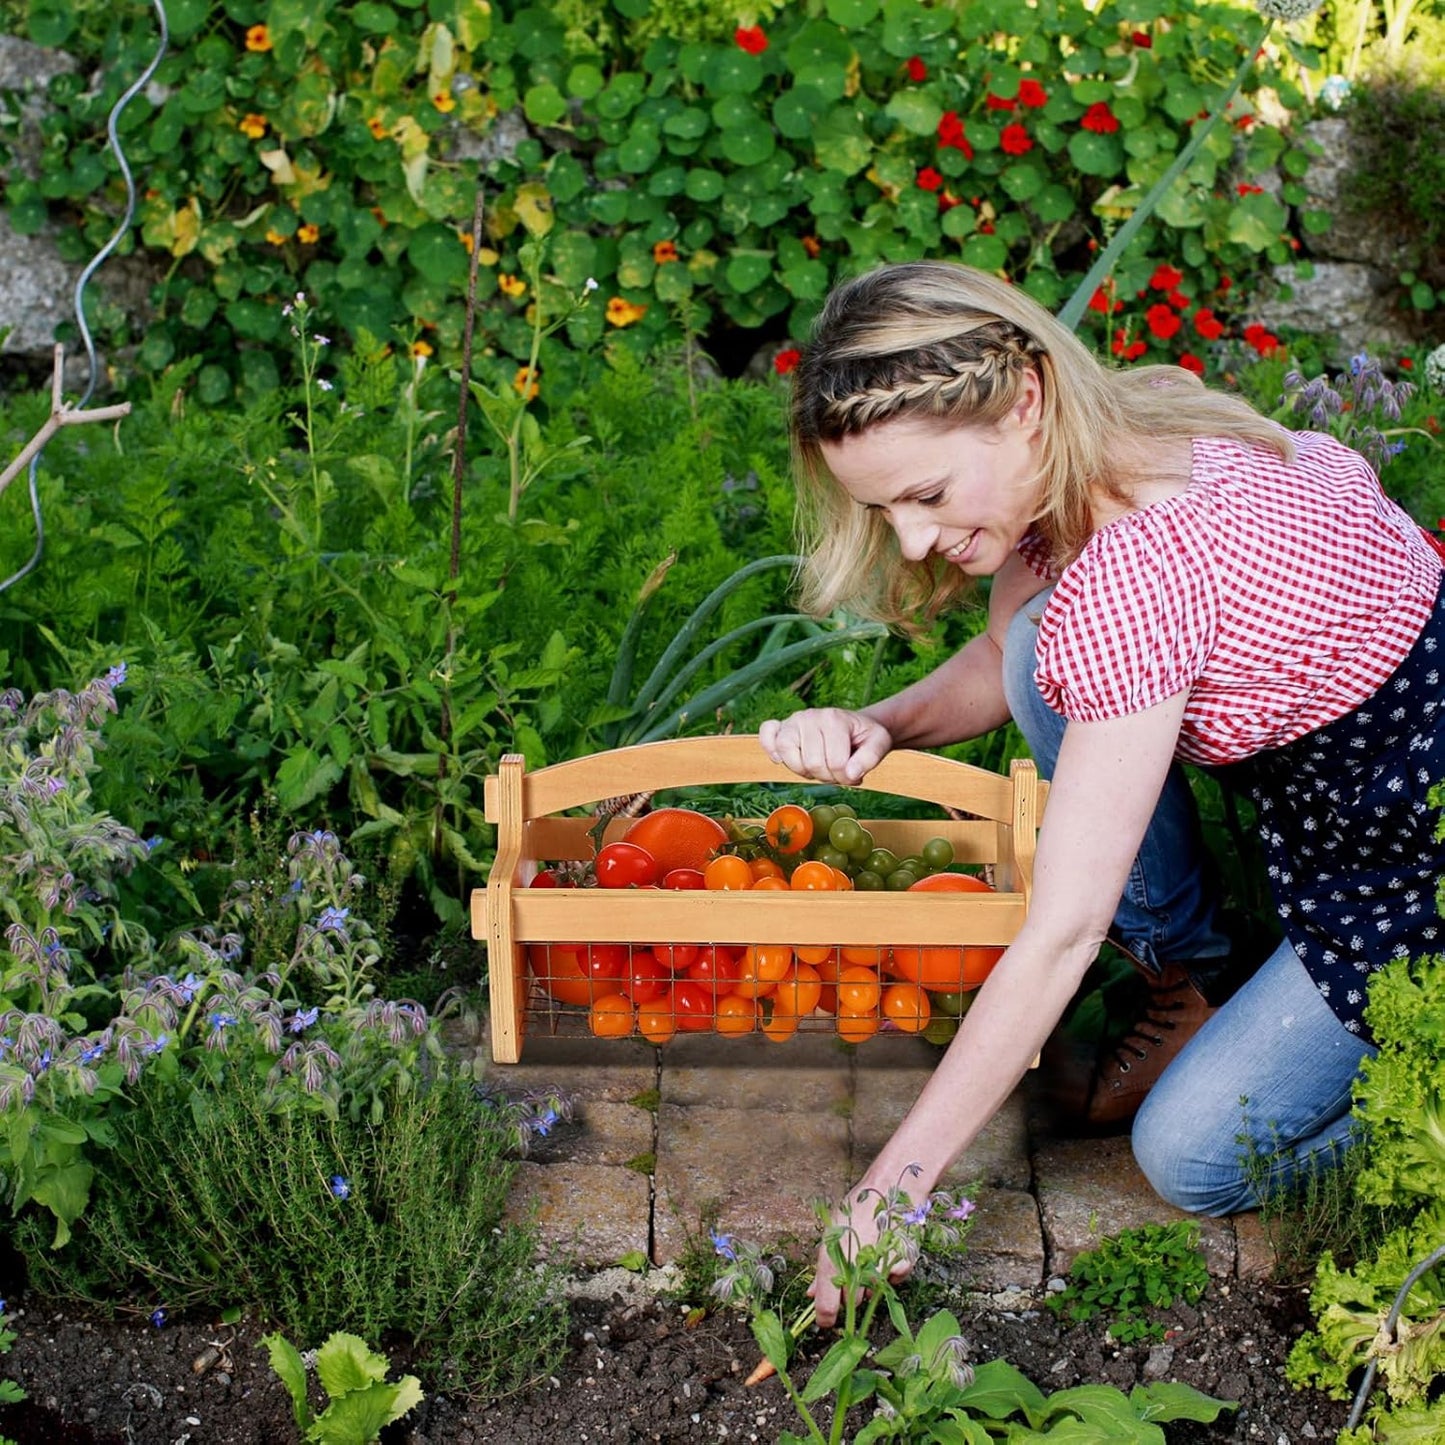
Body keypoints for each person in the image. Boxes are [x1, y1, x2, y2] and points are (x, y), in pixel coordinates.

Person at [757, 260, 1445, 1329]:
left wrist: (887, 1188)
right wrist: (882, 722)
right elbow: (1008, 657)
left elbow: (1060, 928)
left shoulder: (1139, 570)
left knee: (1190, 1154)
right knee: (1042, 640)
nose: (909, 539)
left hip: (1410, 854)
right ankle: (1190, 975)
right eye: (882, 509)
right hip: (1346, 799)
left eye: (926, 495)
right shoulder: (1124, 438)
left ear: (1021, 398)